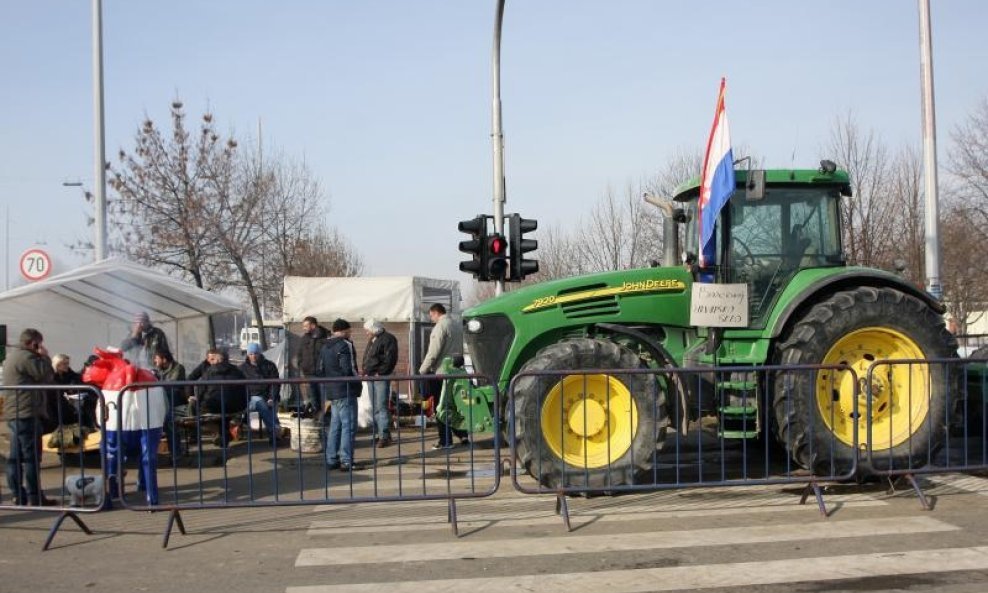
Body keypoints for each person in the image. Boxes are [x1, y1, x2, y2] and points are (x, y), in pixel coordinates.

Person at [2, 328, 56, 506]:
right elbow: (46, 376)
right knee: (31, 457)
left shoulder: (12, 356)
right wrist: (45, 357)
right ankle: (35, 496)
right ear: (33, 343)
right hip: (27, 412)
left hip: (15, 412)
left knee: (15, 457)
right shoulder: (28, 357)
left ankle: (18, 494)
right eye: (39, 343)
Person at [419, 303, 468, 450]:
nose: (431, 318)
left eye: (431, 315)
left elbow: (433, 352)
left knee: (441, 407)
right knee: (454, 405)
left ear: (435, 313)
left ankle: (445, 440)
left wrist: (422, 370)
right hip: (456, 370)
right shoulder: (456, 324)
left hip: (441, 371)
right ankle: (463, 434)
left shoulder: (440, 326)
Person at [317, 319, 362, 471]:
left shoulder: (324, 347)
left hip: (331, 390)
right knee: (348, 426)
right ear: (344, 331)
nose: (350, 334)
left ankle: (331, 459)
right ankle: (346, 460)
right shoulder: (345, 345)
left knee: (335, 426)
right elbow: (349, 369)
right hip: (346, 389)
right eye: (349, 331)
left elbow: (320, 370)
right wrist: (358, 380)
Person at [188, 348, 247, 448]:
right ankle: (223, 435)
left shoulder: (209, 372)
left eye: (212, 359)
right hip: (236, 406)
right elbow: (244, 388)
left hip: (213, 406)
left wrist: (198, 399)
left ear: (218, 360)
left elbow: (200, 390)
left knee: (198, 407)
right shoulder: (237, 371)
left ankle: (210, 433)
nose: (210, 361)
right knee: (223, 412)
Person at [362, 319, 398, 448]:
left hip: (379, 376)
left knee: (381, 406)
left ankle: (384, 435)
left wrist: (381, 372)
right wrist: (366, 371)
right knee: (376, 407)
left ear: (374, 329)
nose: (366, 333)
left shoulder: (388, 339)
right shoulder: (374, 339)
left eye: (368, 330)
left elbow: (390, 358)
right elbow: (369, 357)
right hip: (373, 376)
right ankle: (382, 434)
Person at [239, 342, 282, 445]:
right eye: (251, 354)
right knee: (259, 402)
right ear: (247, 354)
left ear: (259, 353)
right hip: (247, 399)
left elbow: (275, 384)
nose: (253, 356)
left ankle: (274, 432)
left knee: (264, 404)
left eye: (255, 353)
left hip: (267, 397)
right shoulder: (242, 368)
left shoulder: (269, 366)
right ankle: (274, 431)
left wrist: (272, 397)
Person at [152, 349, 189, 457]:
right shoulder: (158, 370)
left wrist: (157, 382)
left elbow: (173, 383)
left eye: (156, 358)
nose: (155, 361)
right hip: (161, 401)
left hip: (175, 399)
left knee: (170, 423)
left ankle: (176, 454)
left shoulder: (178, 368)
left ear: (164, 359)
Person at [295, 316, 329, 416]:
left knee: (324, 398)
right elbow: (299, 354)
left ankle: (324, 420)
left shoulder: (324, 336)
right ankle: (316, 417)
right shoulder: (304, 338)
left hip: (322, 373)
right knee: (313, 398)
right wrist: (301, 365)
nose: (303, 328)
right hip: (309, 373)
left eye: (306, 326)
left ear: (313, 325)